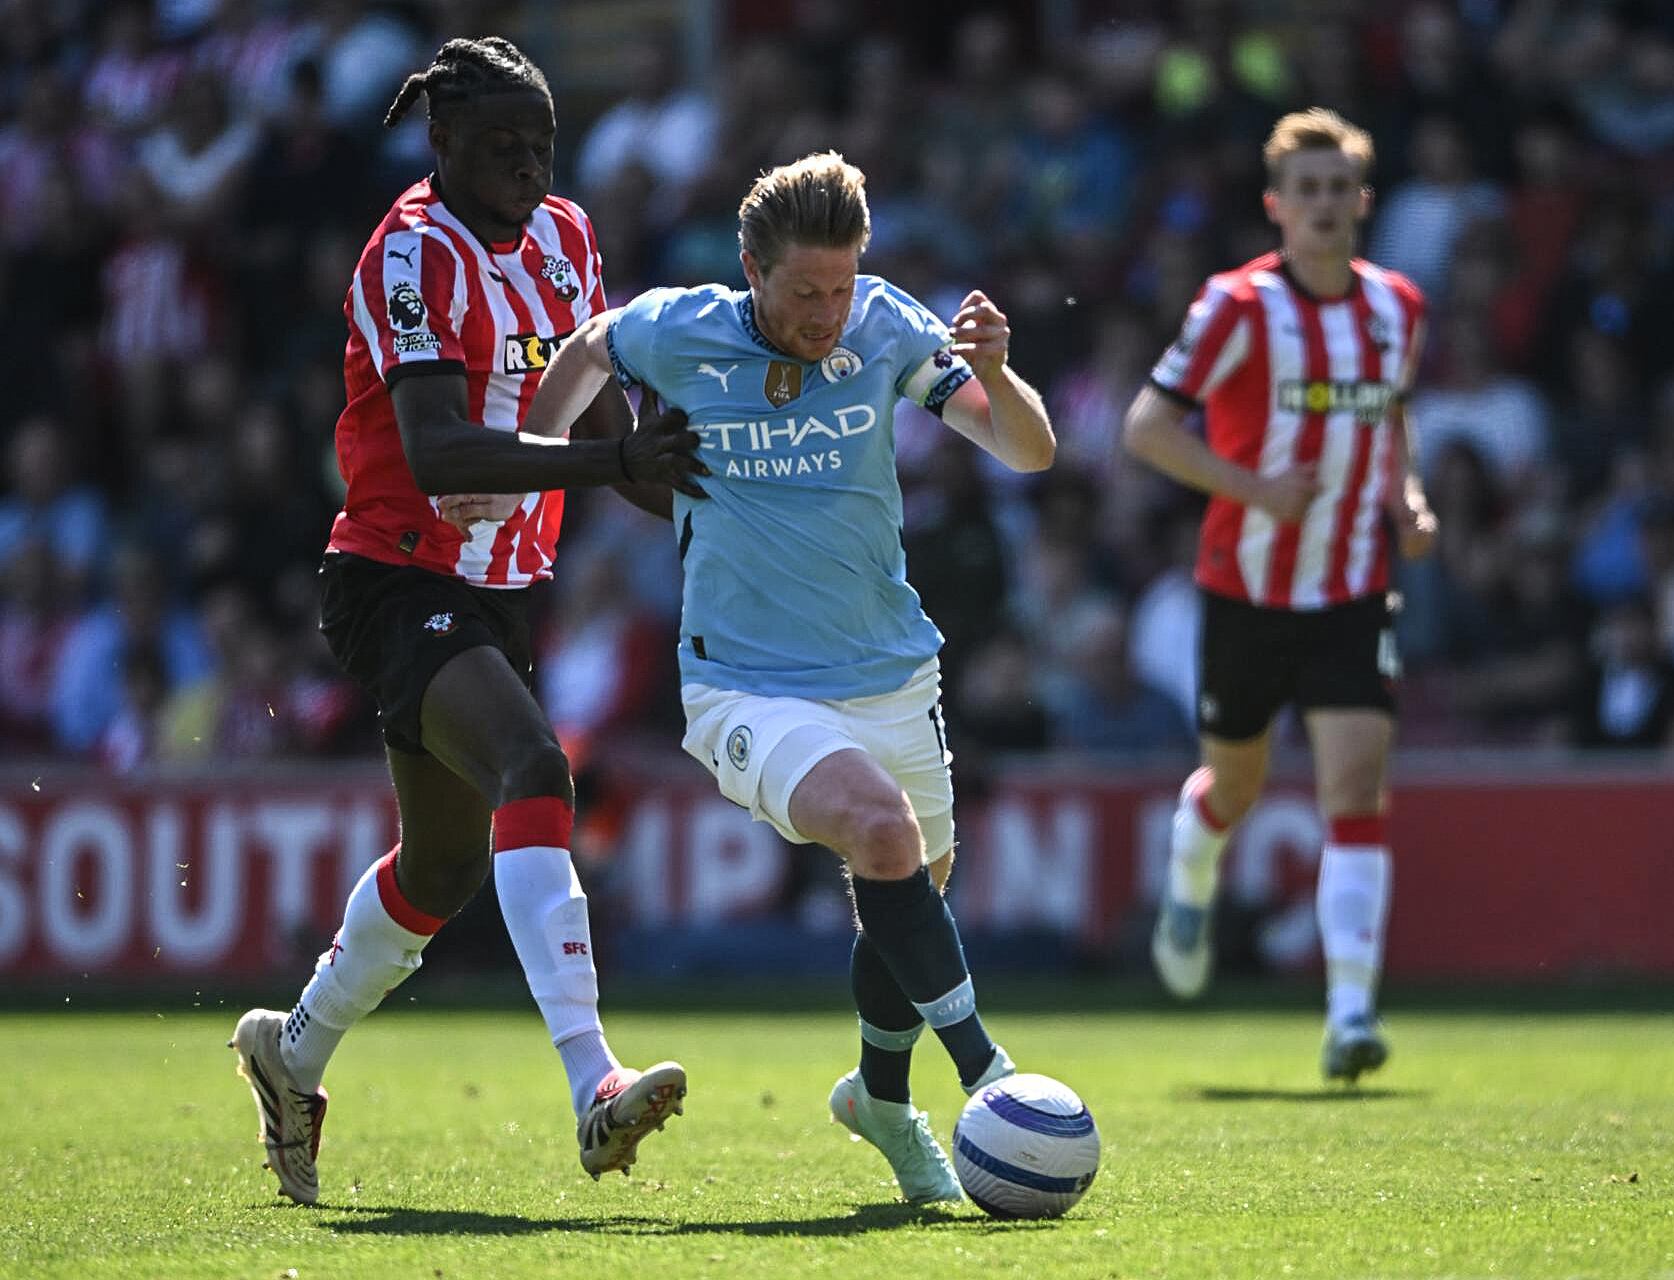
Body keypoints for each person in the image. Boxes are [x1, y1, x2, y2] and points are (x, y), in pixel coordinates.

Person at [521, 151, 1056, 1203]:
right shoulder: (681, 329)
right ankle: (989, 1073)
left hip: (890, 668)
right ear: (751, 270)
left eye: (842, 286)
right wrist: (554, 462)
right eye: (804, 291)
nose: (827, 314)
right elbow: (588, 346)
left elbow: (1028, 451)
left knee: (908, 891)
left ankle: (878, 1100)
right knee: (885, 830)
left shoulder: (889, 325)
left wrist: (999, 370)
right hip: (744, 684)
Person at [230, 37, 707, 1207]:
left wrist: (716, 479)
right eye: (500, 146)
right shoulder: (406, 253)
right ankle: (594, 1082)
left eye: (542, 144)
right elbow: (440, 452)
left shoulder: (570, 237)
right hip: (395, 571)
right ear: (439, 143)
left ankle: (289, 1053)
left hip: (497, 582)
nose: (527, 167)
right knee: (535, 761)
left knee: (440, 868)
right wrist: (612, 460)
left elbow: (616, 421)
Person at [1121, 108, 1437, 1083]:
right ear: (1276, 206)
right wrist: (1255, 489)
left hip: (1351, 585)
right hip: (1247, 588)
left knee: (1355, 786)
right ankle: (1192, 862)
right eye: (1307, 191)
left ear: (1363, 200)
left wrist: (1408, 497)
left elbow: (1391, 416)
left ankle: (1350, 1010)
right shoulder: (1239, 307)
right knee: (1239, 786)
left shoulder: (1399, 307)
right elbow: (1146, 426)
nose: (1325, 205)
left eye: (1340, 187)